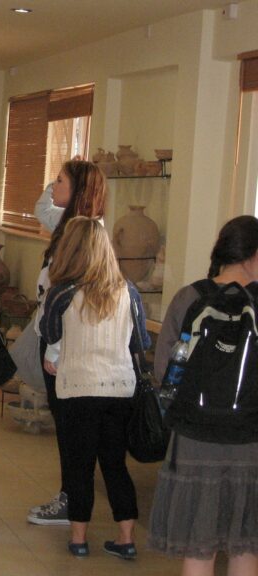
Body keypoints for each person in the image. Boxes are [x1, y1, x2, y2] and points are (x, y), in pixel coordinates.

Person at [148, 215, 258, 576]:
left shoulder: (189, 297)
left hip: (194, 439)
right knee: (246, 546)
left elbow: (164, 371)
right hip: (250, 440)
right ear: (253, 255)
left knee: (199, 547)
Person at [39, 216, 149, 559]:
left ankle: (79, 538)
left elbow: (49, 333)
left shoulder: (62, 292)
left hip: (78, 389)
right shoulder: (129, 291)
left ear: (69, 250)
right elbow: (140, 341)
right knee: (115, 465)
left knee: (79, 466)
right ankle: (126, 537)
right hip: (119, 389)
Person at [27, 160, 106, 526]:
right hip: (53, 337)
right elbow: (42, 208)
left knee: (72, 428)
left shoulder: (87, 234)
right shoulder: (68, 224)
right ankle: (69, 496)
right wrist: (61, 179)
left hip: (67, 345)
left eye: (60, 181)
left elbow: (74, 298)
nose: (53, 185)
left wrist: (55, 349)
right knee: (65, 425)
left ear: (78, 191)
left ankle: (72, 501)